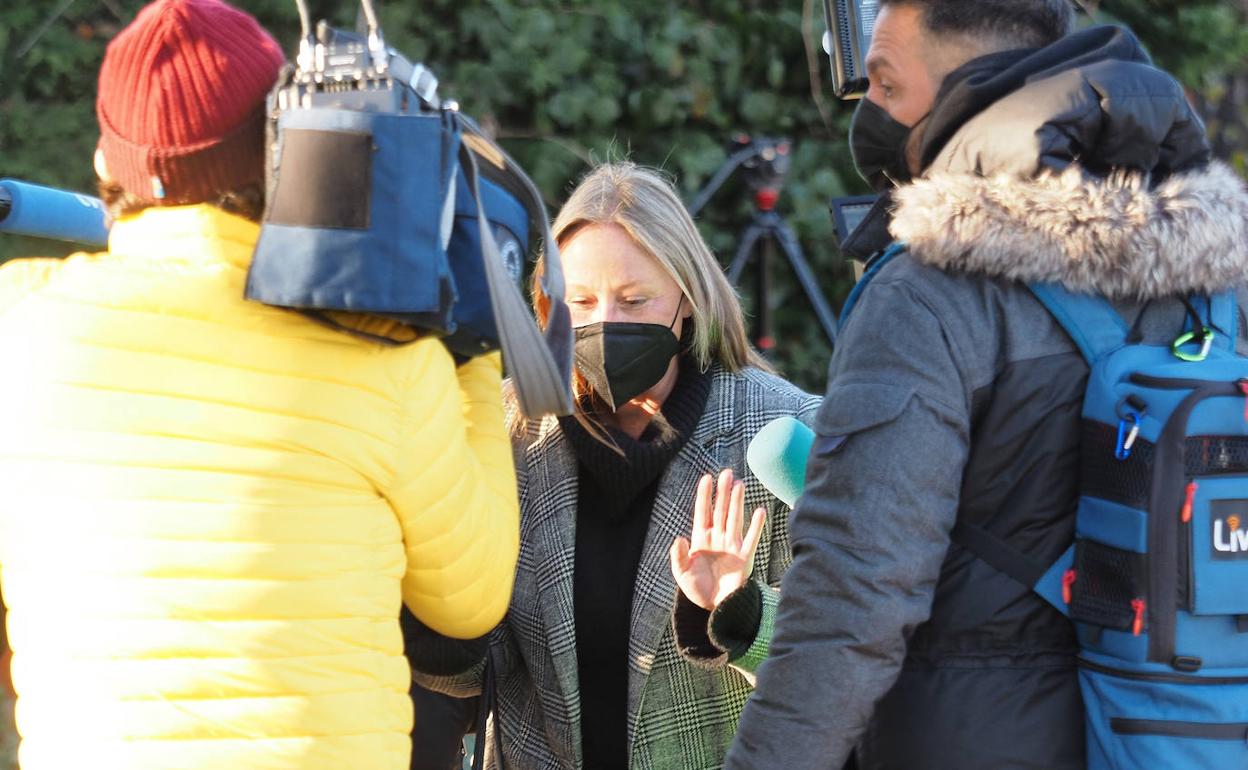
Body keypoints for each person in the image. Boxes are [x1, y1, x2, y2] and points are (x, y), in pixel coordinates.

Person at [725, 2, 1248, 769]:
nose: (869, 111)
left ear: (968, 84)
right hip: (1186, 732)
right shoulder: (1220, 285)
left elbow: (853, 595)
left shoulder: (928, 291)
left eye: (883, 81)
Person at [0, 1, 520, 768]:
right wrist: (470, 352)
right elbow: (469, 597)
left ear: (109, 165)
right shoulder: (387, 359)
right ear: (291, 143)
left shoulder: (19, 326)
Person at [409, 162, 820, 770]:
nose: (606, 322)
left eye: (634, 300)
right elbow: (472, 676)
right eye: (580, 300)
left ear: (687, 299)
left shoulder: (782, 433)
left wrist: (741, 614)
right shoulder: (503, 433)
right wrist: (434, 602)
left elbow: (851, 656)